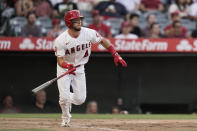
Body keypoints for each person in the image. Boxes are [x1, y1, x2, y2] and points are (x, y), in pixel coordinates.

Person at [54, 10, 127, 127]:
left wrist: (115, 54)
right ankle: (65, 118)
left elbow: (103, 40)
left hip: (79, 68)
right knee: (64, 98)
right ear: (69, 22)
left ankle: (67, 97)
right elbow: (60, 60)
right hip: (65, 68)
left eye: (80, 19)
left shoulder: (88, 33)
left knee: (80, 100)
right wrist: (67, 66)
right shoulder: (61, 40)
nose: (79, 22)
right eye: (76, 20)